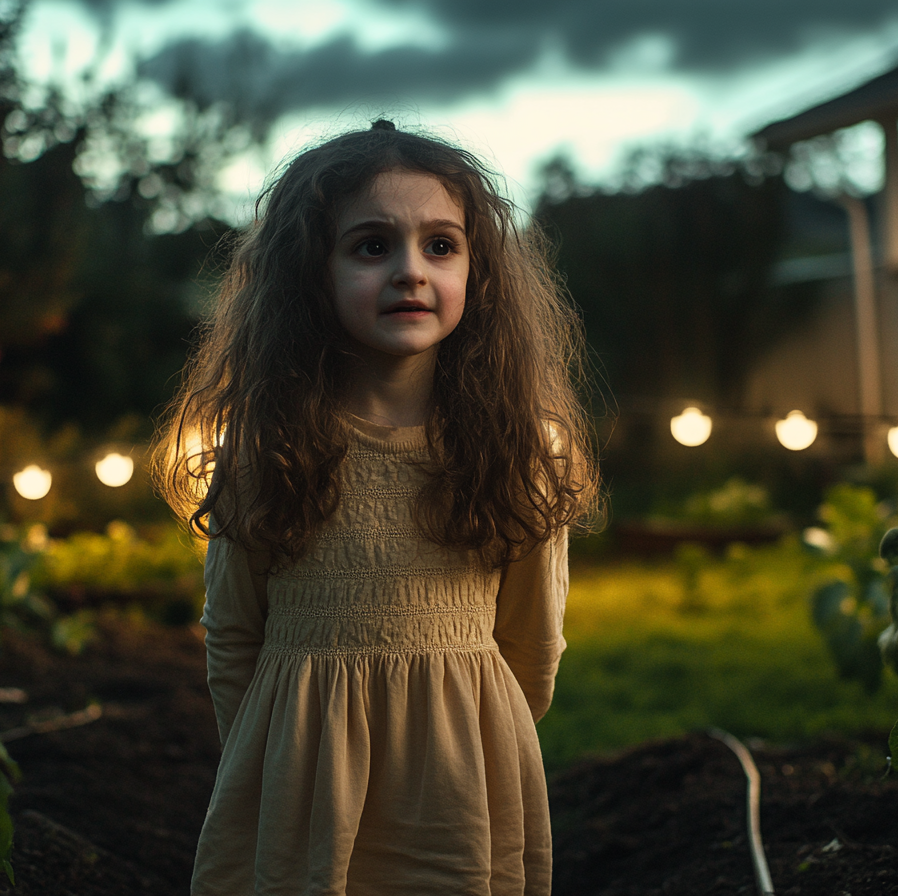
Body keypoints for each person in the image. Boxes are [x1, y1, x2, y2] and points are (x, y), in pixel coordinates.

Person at [154, 119, 599, 896]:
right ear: (310, 273)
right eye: (371, 246)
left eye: (440, 245)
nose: (410, 272)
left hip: (459, 804)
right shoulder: (267, 449)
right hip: (299, 796)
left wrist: (475, 748)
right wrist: (267, 773)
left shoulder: (520, 451)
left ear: (478, 271)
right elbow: (233, 639)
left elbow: (534, 648)